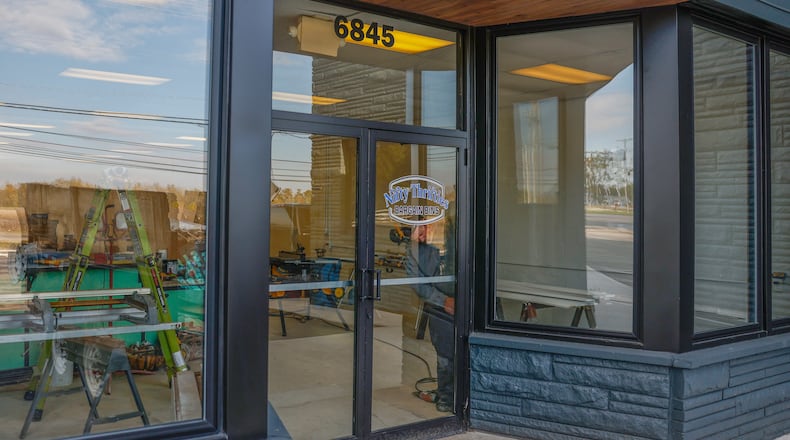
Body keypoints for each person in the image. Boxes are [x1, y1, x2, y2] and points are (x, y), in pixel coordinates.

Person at [406, 222, 455, 413]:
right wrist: (443, 301)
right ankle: (446, 397)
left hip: (469, 305)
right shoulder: (416, 250)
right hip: (440, 308)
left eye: (425, 227)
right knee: (445, 355)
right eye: (417, 229)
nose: (421, 233)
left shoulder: (459, 241)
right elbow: (416, 282)